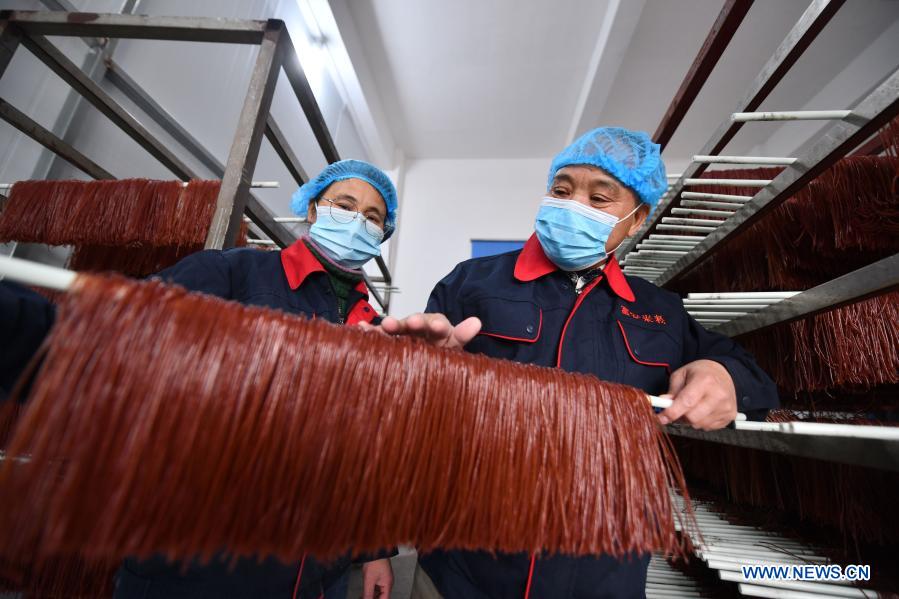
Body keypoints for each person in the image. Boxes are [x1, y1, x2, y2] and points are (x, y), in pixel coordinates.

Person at [378, 127, 779, 598]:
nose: (573, 205)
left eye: (599, 197)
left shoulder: (661, 313)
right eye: (562, 190)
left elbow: (752, 375)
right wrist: (422, 371)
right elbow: (405, 418)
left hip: (599, 574)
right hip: (464, 567)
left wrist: (723, 376)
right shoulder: (473, 283)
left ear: (636, 219)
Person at [0, 159, 397, 599]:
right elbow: (107, 342)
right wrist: (17, 324)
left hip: (318, 578)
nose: (358, 220)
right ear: (312, 211)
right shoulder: (231, 273)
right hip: (197, 568)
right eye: (344, 205)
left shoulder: (377, 327)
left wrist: (373, 549)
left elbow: (366, 453)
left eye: (372, 216)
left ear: (381, 234)